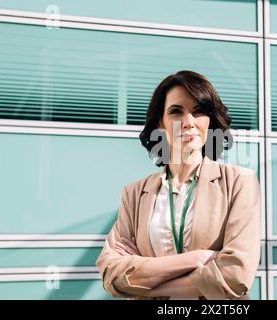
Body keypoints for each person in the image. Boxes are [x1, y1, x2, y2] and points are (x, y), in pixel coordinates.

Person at [96, 70, 261, 300]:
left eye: (199, 111)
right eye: (176, 112)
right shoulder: (134, 194)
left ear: (210, 121)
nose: (189, 122)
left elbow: (235, 276)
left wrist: (144, 279)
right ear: (160, 123)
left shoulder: (239, 182)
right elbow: (112, 276)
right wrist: (198, 259)